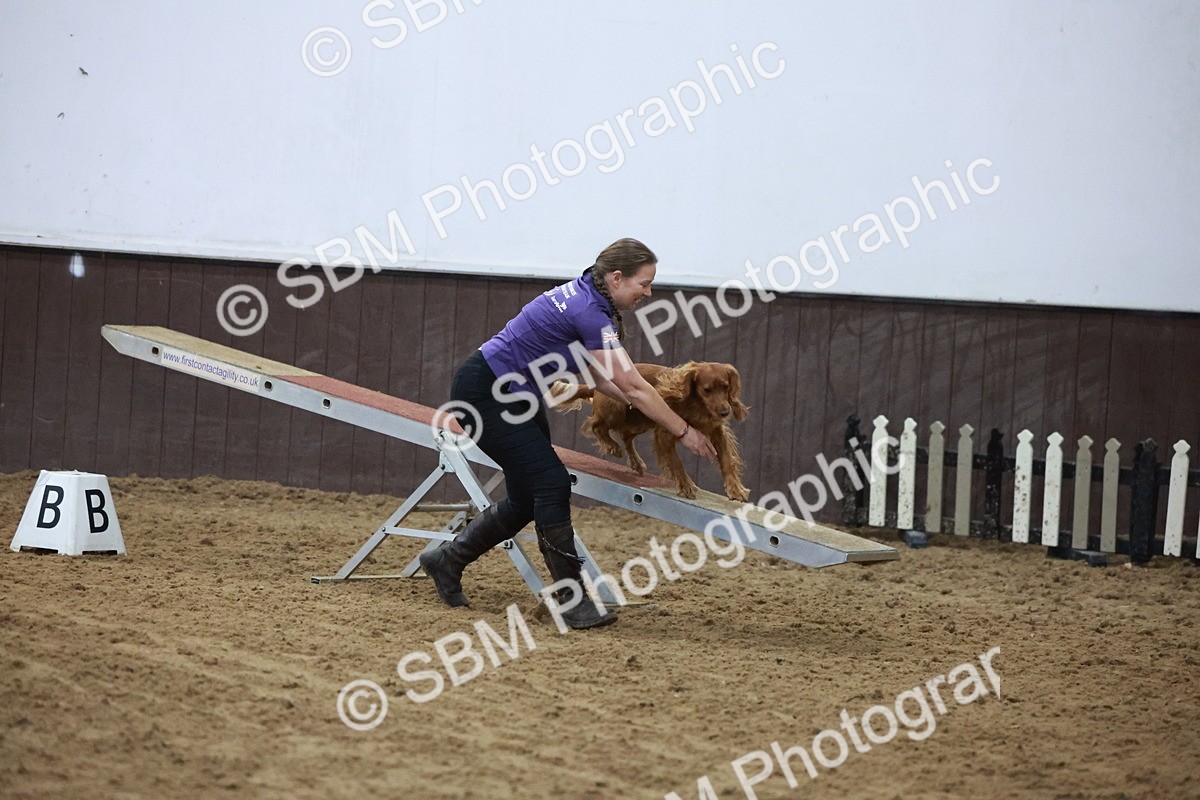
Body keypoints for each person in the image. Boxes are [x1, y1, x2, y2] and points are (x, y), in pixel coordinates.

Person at [419, 238, 718, 630]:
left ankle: (449, 559)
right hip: (484, 395)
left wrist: (645, 405)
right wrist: (683, 430)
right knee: (552, 482)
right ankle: (570, 599)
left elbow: (601, 377)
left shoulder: (589, 298)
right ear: (616, 277)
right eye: (643, 283)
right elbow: (630, 385)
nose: (648, 292)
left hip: (514, 395)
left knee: (529, 496)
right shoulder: (589, 310)